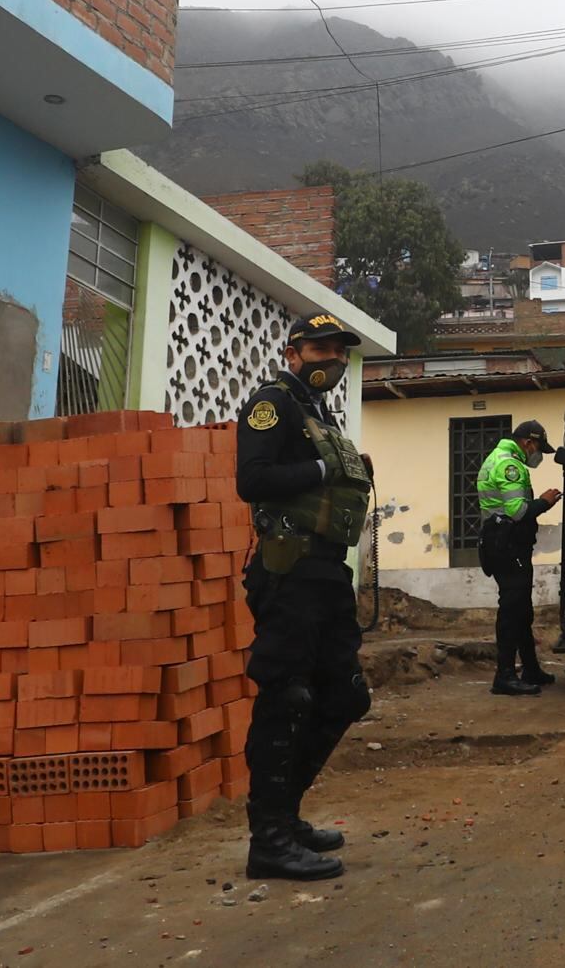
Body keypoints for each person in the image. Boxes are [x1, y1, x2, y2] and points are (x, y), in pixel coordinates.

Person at [236, 312, 374, 881]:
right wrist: (324, 467)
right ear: (292, 353)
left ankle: (285, 817)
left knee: (344, 696)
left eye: (338, 353)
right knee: (286, 695)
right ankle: (267, 838)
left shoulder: (321, 413)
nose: (331, 361)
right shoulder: (273, 403)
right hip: (287, 570)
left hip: (326, 572)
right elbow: (253, 480)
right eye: (319, 350)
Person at [477, 421, 563, 696]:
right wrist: (545, 502)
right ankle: (504, 675)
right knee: (512, 609)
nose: (538, 454)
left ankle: (530, 668)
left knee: (521, 610)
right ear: (528, 442)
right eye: (538, 448)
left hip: (506, 544)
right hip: (507, 546)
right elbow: (517, 512)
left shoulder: (501, 459)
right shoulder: (509, 466)